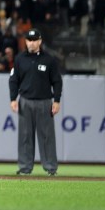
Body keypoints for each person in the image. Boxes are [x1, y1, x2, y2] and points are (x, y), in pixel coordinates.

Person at [9, 28, 63, 176]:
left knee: (47, 136)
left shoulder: (49, 59)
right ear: (25, 41)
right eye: (29, 40)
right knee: (25, 136)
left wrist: (56, 100)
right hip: (25, 101)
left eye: (34, 40)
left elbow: (57, 81)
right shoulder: (20, 59)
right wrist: (13, 98)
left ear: (40, 41)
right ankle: (25, 167)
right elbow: (14, 80)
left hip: (45, 101)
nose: (31, 43)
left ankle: (51, 167)